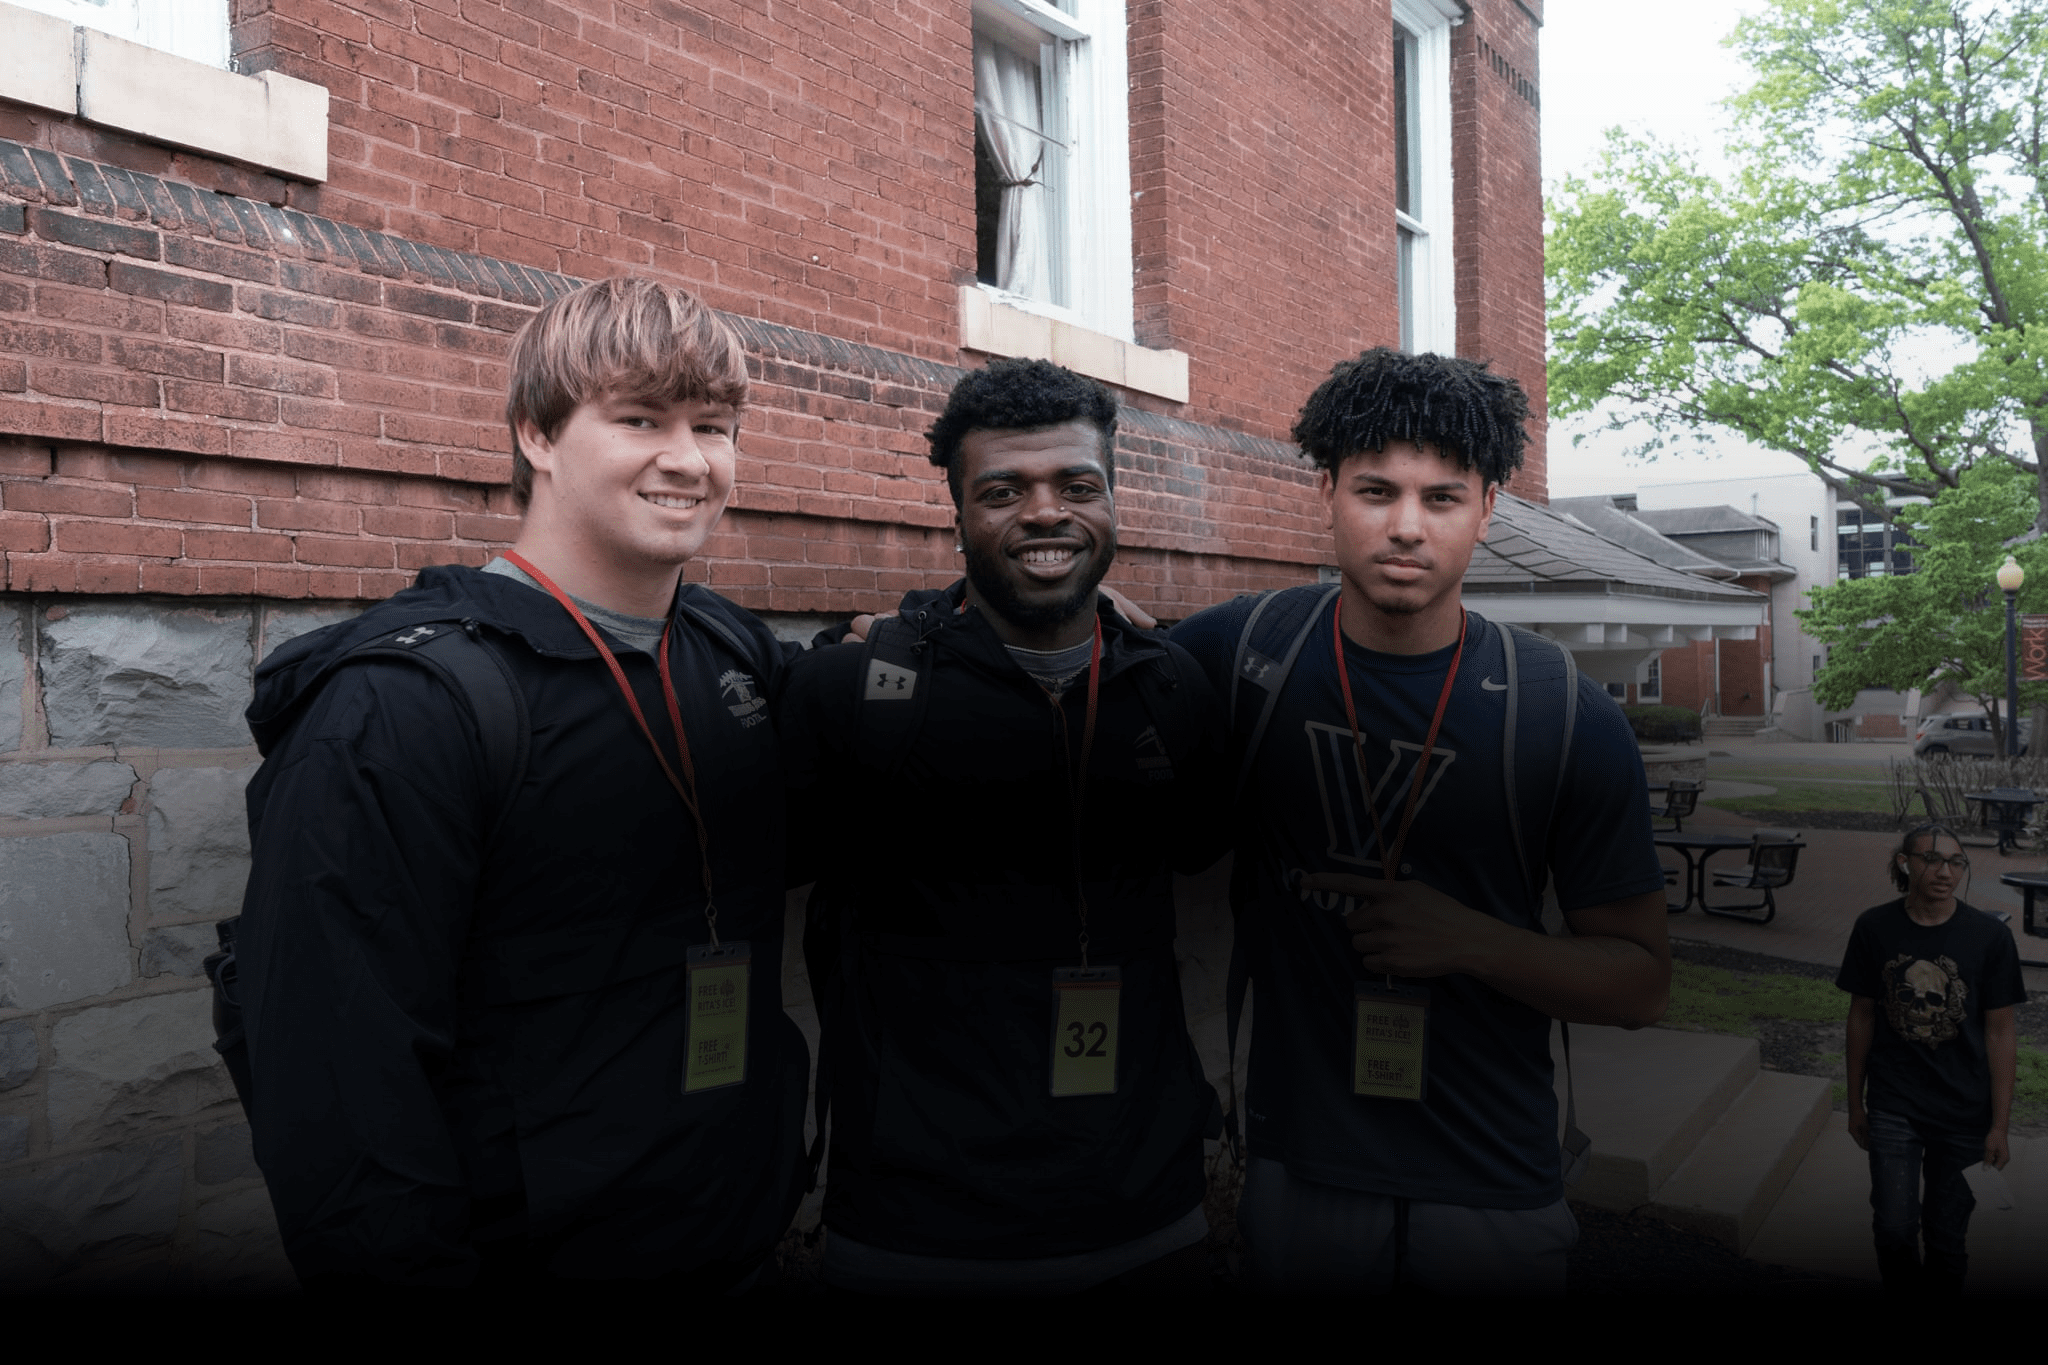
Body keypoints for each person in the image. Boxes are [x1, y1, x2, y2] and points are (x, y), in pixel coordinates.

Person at [236, 278, 809, 1293]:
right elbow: (339, 1090)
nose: (689, 459)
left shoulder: (731, 653)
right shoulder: (403, 708)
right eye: (640, 419)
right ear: (536, 436)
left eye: (713, 426)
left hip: (735, 1241)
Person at [1169, 347, 1671, 1295]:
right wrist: (903, 628)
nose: (1406, 527)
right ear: (1325, 491)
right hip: (1302, 1162)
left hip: (1490, 1174)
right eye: (1376, 490)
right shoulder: (1246, 651)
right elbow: (1081, 654)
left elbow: (1641, 984)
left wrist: (1473, 941)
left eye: (1442, 498)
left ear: (1487, 509)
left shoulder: (1563, 711)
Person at [778, 357, 1230, 1295]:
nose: (1045, 513)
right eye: (1003, 490)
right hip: (916, 1232)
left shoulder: (1172, 687)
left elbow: (1200, 854)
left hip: (1146, 1213)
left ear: (1112, 499)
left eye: (1076, 484)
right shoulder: (851, 692)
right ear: (957, 514)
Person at [1839, 822, 2024, 1292]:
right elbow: (1861, 1015)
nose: (1946, 871)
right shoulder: (1873, 927)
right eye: (1933, 860)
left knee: (1946, 1242)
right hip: (1894, 1105)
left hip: (1964, 1112)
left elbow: (2001, 1032)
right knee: (1895, 1230)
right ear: (1905, 863)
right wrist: (1856, 1102)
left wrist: (1999, 1124)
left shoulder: (1989, 937)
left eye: (1957, 862)